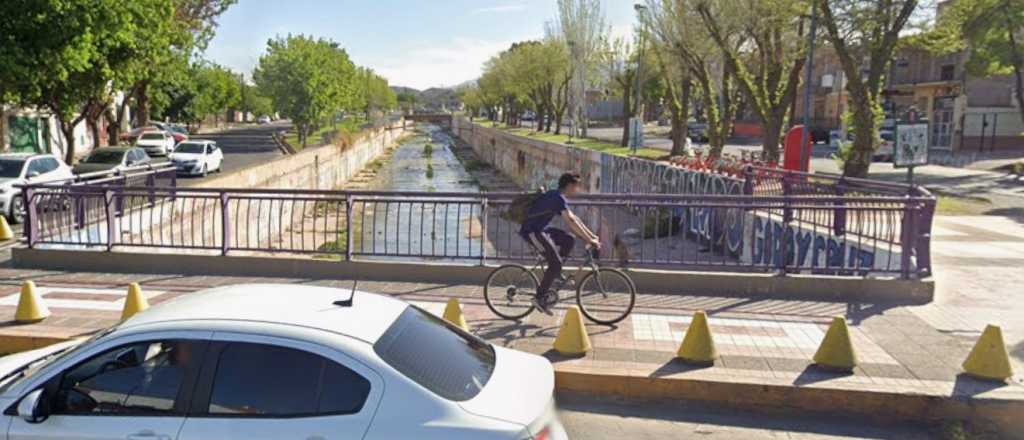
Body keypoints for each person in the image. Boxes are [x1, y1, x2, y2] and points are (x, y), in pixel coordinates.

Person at [520, 173, 601, 315]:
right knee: (556, 263)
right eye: (577, 186)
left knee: (569, 239)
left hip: (541, 230)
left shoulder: (556, 196)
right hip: (532, 232)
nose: (577, 189)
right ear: (570, 186)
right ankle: (539, 298)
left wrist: (591, 236)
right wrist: (589, 240)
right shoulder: (557, 198)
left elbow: (574, 218)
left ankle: (555, 272)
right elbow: (570, 221)